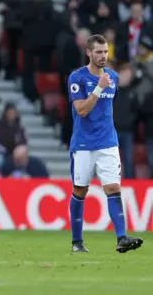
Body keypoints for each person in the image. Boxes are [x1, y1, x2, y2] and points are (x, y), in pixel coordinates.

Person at [68, 34, 143, 253]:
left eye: (105, 51)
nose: (103, 56)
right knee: (80, 190)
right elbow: (81, 110)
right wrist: (99, 88)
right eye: (98, 52)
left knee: (113, 187)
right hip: (83, 144)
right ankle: (77, 242)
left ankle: (121, 238)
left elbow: (106, 109)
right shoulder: (77, 78)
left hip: (108, 142)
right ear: (89, 53)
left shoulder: (113, 77)